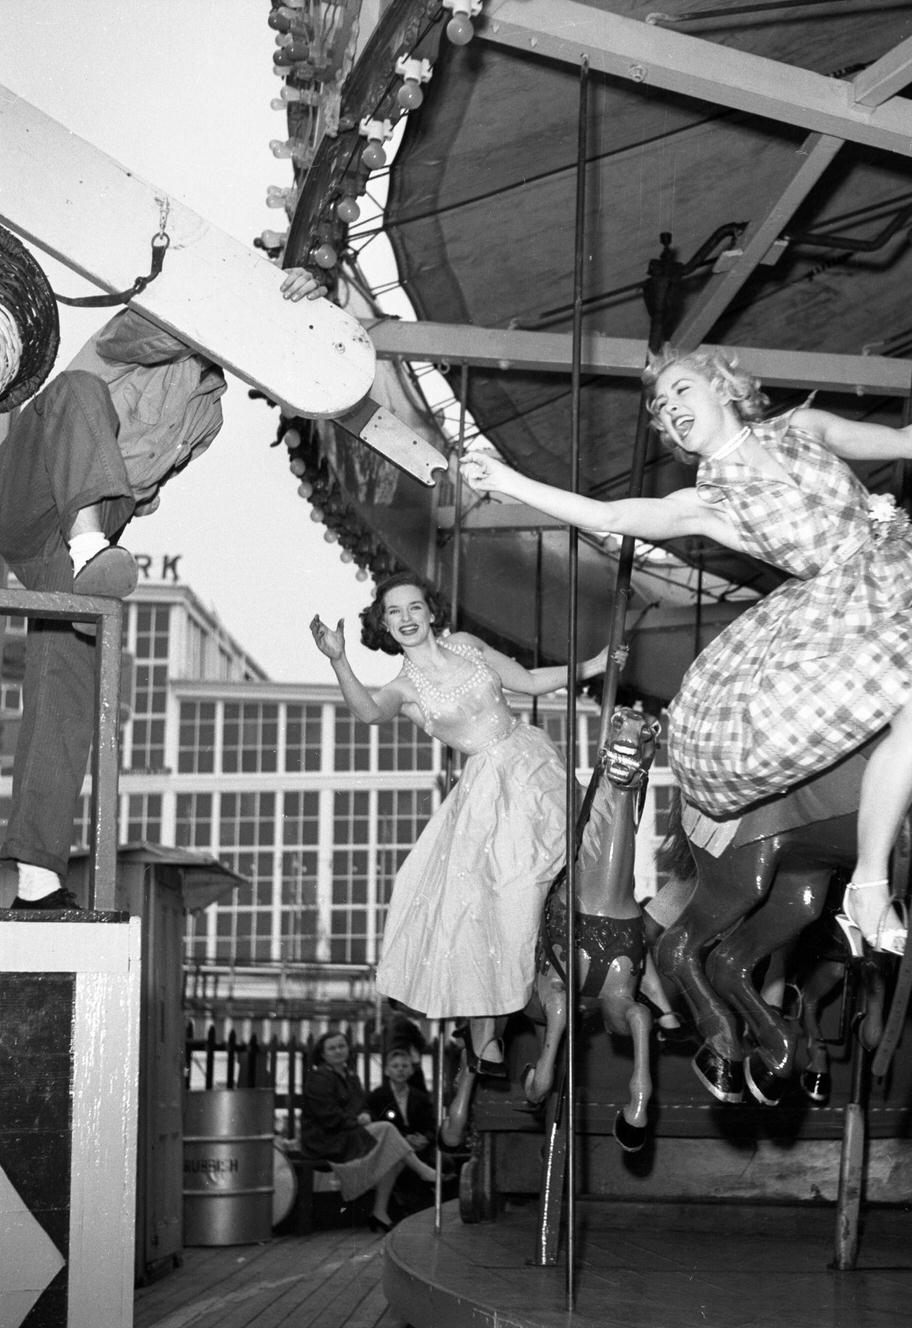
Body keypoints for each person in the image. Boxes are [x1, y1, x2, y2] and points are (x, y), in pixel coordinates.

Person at [462, 346, 912, 956]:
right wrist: (507, 481)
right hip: (840, 610)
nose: (669, 408)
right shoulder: (709, 503)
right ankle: (869, 882)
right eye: (660, 406)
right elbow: (606, 512)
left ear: (724, 387)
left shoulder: (803, 428)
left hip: (905, 564)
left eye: (681, 390)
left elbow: (903, 442)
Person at [1, 267, 323, 911]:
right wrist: (251, 291)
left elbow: (150, 490)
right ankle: (92, 543)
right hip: (32, 485)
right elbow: (127, 347)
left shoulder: (211, 418)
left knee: (70, 674)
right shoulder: (157, 326)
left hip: (92, 521)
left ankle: (35, 876)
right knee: (78, 393)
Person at [309, 572, 610, 1100]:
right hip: (486, 790)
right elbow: (366, 711)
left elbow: (529, 680)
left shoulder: (467, 646)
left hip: (531, 761)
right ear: (382, 625)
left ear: (430, 611)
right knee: (492, 897)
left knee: (588, 851)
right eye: (394, 612)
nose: (406, 618)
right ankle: (485, 1031)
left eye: (414, 607)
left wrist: (590, 666)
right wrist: (338, 660)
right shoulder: (403, 689)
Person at [298, 1029, 441, 1233]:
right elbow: (327, 1116)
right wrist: (356, 1121)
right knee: (386, 1128)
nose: (338, 1051)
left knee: (396, 1155)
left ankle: (379, 1213)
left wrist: (364, 1114)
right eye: (332, 1048)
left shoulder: (350, 1076)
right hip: (326, 1139)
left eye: (342, 1046)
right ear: (322, 1054)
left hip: (347, 1132)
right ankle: (424, 1171)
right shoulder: (320, 1078)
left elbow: (361, 1105)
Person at [366, 1047, 438, 1162]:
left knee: (445, 1164)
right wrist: (404, 1138)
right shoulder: (377, 1096)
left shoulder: (421, 1097)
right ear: (386, 1071)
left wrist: (425, 1138)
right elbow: (376, 1125)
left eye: (405, 1066)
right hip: (390, 1149)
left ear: (411, 1071)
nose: (400, 1070)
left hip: (420, 1148)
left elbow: (432, 1125)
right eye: (395, 1066)